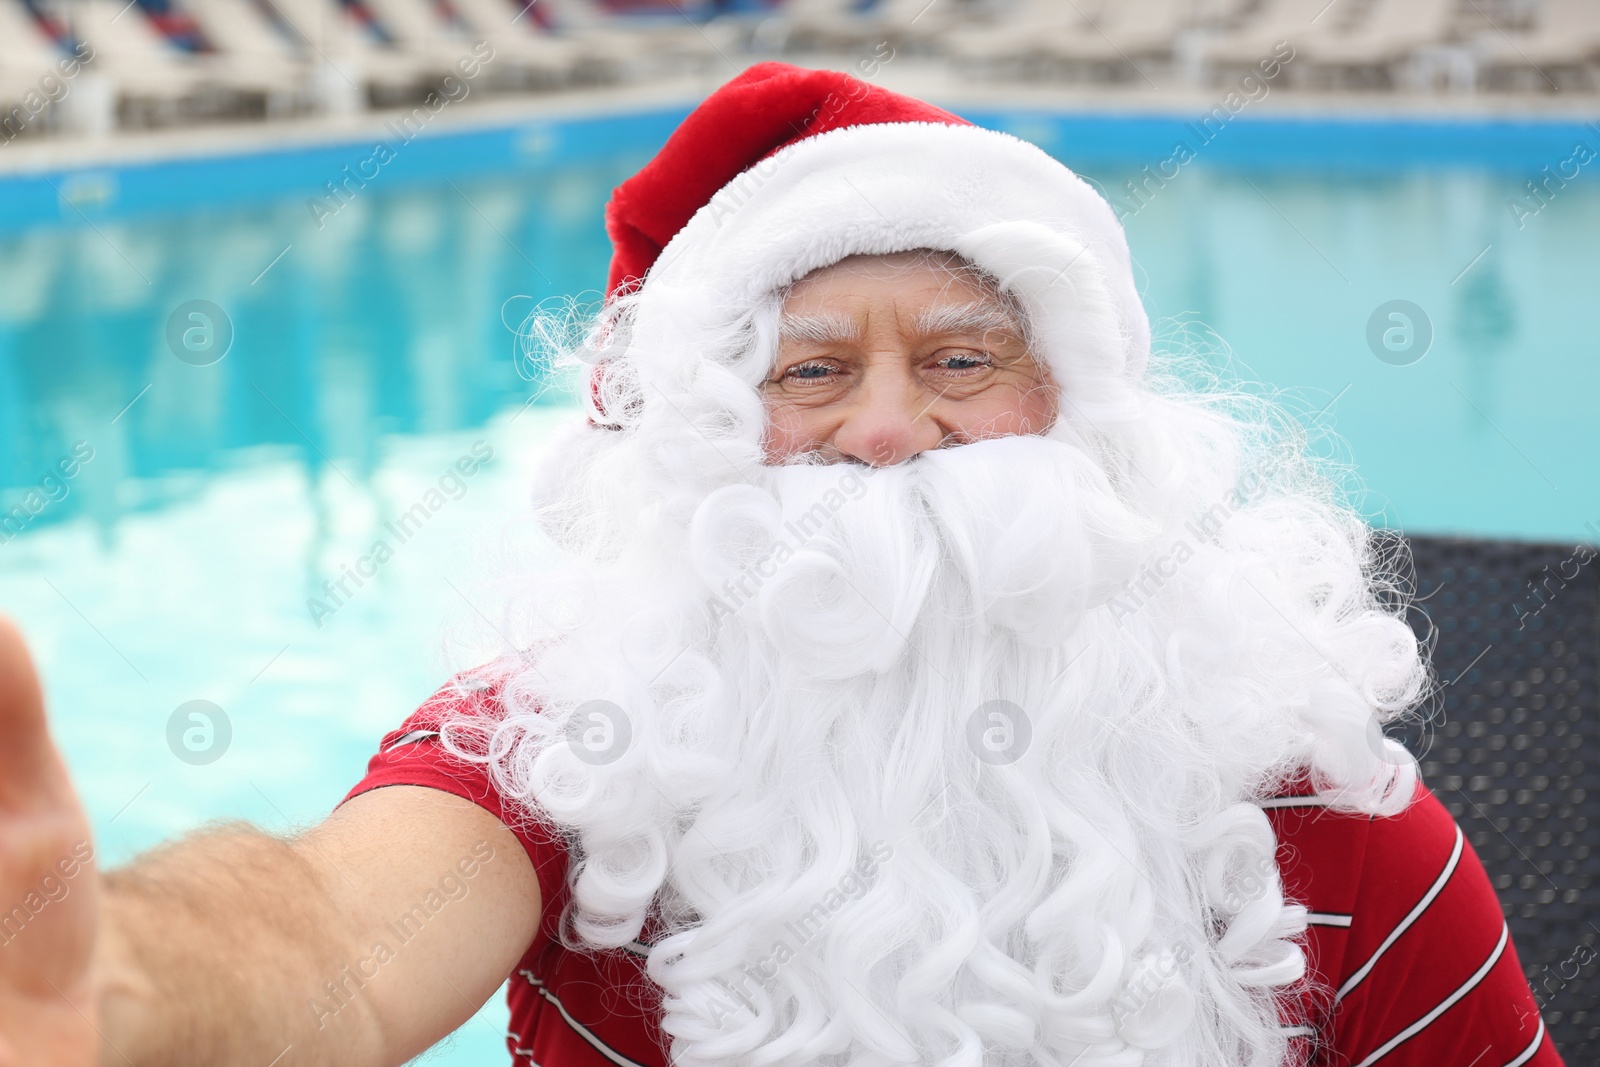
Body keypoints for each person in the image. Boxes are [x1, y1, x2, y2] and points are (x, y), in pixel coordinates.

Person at [0, 63, 1564, 1067]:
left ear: (1073, 415)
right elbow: (337, 949)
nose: (887, 435)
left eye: (962, 359)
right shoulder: (568, 752)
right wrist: (123, 985)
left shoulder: (1303, 809)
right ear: (695, 444)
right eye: (808, 376)